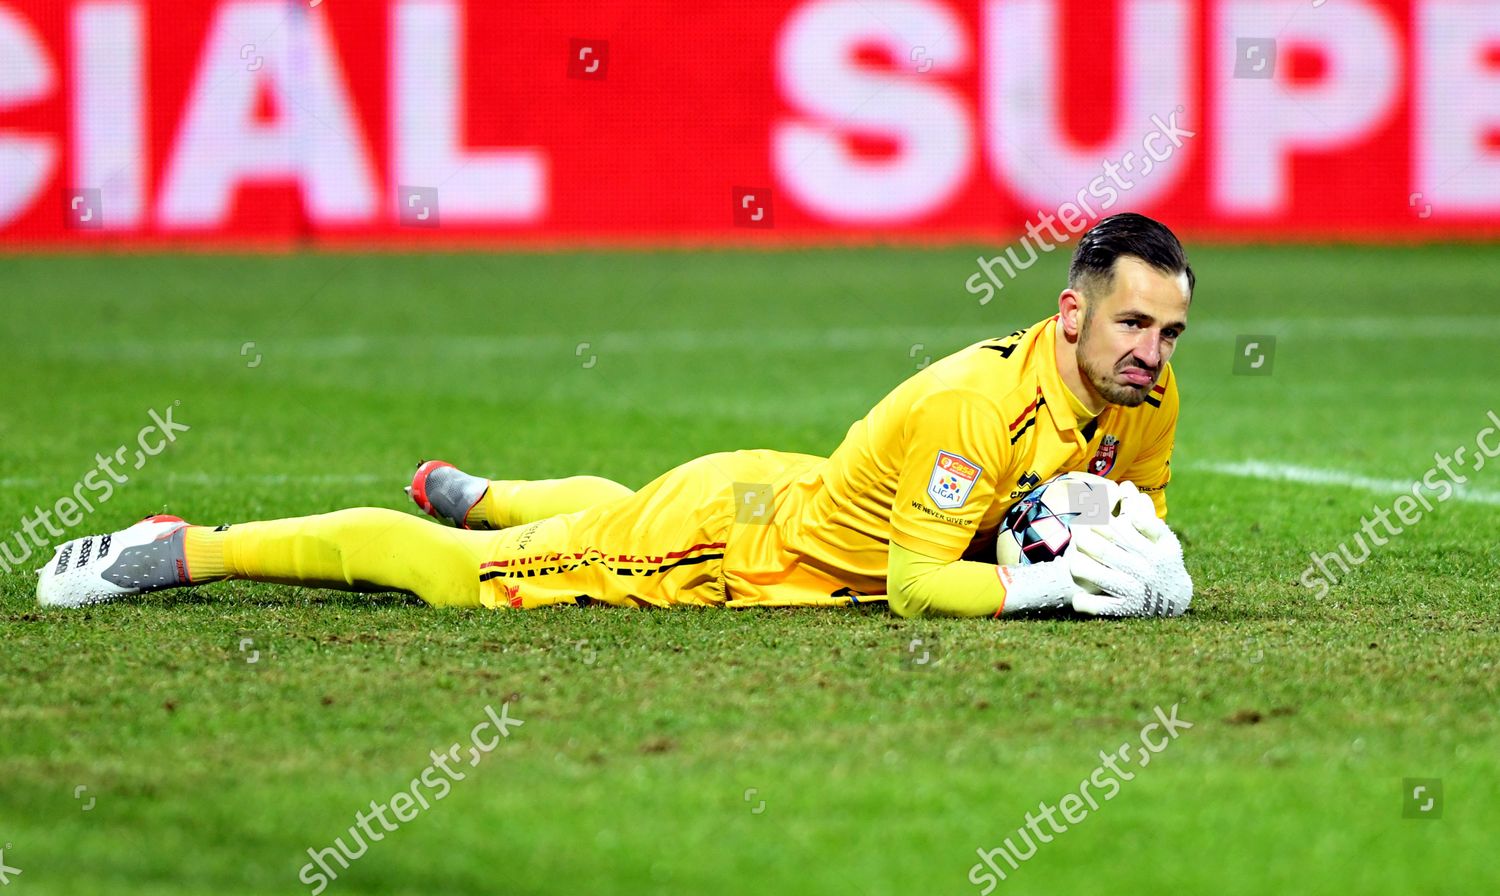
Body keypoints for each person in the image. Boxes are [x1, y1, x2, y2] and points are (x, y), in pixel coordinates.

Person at [37, 213, 1194, 618]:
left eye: (1168, 333)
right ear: (1070, 313)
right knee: (462, 579)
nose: (1150, 353)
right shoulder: (971, 404)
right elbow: (914, 587)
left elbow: (1133, 515)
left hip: (775, 488)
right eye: (1132, 325)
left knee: (613, 514)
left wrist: (1153, 565)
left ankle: (486, 495)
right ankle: (188, 546)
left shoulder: (1146, 392)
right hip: (736, 546)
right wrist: (1052, 586)